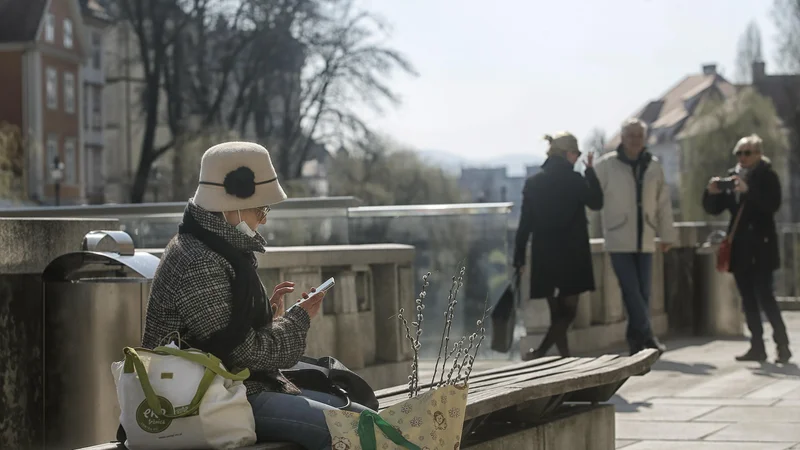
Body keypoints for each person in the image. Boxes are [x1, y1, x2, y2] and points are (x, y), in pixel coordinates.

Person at [142, 142, 371, 450]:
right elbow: (243, 353)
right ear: (228, 205)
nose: (264, 219)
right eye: (261, 209)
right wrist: (297, 320)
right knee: (353, 431)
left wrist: (267, 314)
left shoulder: (211, 246)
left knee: (366, 419)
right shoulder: (198, 261)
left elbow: (227, 337)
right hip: (210, 399)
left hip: (230, 390)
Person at [513, 132, 603, 360]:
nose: (578, 158)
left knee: (557, 313)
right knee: (569, 312)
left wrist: (519, 257)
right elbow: (597, 202)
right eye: (577, 154)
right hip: (573, 255)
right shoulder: (575, 180)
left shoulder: (533, 183)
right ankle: (542, 352)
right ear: (568, 154)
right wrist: (590, 171)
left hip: (545, 255)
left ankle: (565, 359)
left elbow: (525, 224)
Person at [702, 134, 791, 364]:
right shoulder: (733, 178)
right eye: (739, 153)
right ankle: (757, 346)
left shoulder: (768, 176)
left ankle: (782, 345)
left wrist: (748, 190)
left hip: (762, 247)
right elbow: (714, 209)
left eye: (747, 153)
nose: (742, 157)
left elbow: (772, 205)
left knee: (766, 297)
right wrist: (711, 192)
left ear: (759, 154)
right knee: (747, 300)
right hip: (741, 248)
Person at [594, 118, 676, 356]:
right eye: (630, 136)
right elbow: (589, 192)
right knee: (631, 291)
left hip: (646, 237)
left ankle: (635, 341)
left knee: (644, 293)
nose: (634, 140)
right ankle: (648, 337)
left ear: (645, 139)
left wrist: (667, 234)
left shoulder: (654, 165)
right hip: (619, 237)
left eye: (639, 136)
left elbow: (663, 203)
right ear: (622, 138)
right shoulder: (607, 166)